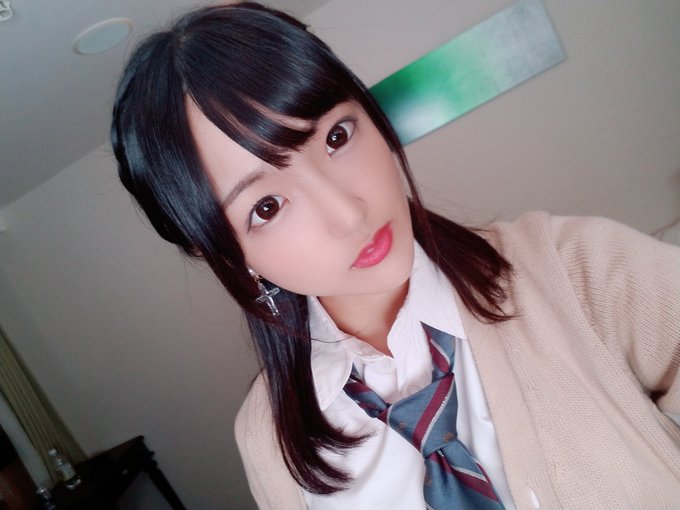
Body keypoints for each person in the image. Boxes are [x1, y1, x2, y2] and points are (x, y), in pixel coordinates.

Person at [111, 3, 680, 509]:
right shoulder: (268, 440)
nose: (346, 212)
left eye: (336, 137)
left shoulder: (574, 268)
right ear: (226, 256)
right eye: (267, 206)